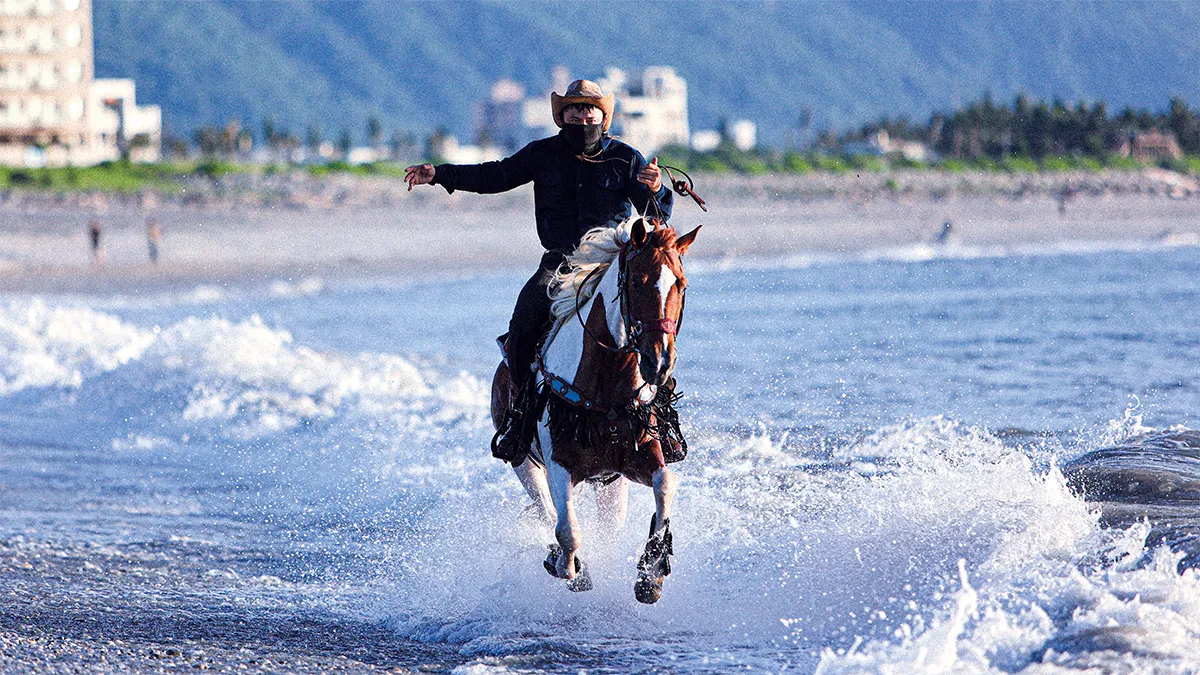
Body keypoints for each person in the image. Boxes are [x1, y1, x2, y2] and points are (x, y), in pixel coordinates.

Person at [405, 79, 674, 462]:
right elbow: (493, 176)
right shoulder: (542, 154)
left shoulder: (626, 158)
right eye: (573, 109)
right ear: (561, 116)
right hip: (561, 263)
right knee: (523, 324)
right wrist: (441, 174)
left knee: (653, 319)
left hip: (610, 261)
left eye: (589, 108)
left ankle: (661, 419)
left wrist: (656, 189)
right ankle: (519, 417)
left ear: (603, 115)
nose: (582, 114)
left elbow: (656, 217)